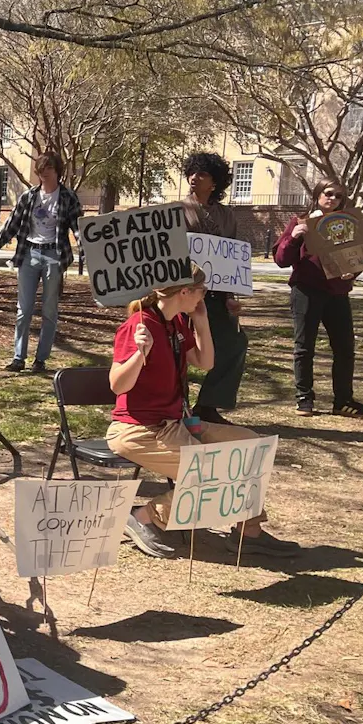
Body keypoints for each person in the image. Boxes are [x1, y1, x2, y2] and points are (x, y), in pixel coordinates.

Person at [105, 265, 300, 559]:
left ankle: (249, 531)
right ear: (185, 292)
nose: (205, 295)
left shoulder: (176, 321)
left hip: (176, 423)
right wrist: (139, 354)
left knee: (250, 446)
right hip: (139, 430)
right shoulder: (139, 325)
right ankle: (144, 516)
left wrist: (202, 321)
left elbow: (205, 363)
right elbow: (118, 385)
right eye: (203, 290)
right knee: (215, 473)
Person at [274, 180, 363, 418]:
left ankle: (343, 401)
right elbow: (281, 259)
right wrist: (295, 237)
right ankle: (304, 398)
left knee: (345, 347)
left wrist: (353, 271)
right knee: (304, 347)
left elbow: (359, 256)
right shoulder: (300, 222)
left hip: (337, 292)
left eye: (338, 196)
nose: (333, 199)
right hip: (306, 290)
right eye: (328, 194)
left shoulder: (347, 225)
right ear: (318, 195)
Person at [0, 151, 82, 374]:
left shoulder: (68, 197)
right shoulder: (29, 196)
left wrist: (87, 248)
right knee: (23, 310)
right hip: (29, 253)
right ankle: (18, 358)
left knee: (49, 310)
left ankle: (40, 360)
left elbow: (78, 227)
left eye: (48, 169)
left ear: (57, 171)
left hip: (54, 255)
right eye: (40, 170)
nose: (43, 174)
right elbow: (12, 224)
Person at [180, 151, 247, 424]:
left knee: (234, 343)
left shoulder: (227, 216)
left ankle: (208, 405)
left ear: (215, 182)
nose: (195, 177)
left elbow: (230, 258)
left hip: (216, 295)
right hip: (181, 292)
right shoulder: (176, 209)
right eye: (192, 172)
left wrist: (230, 297)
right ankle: (176, 407)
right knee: (177, 348)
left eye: (203, 173)